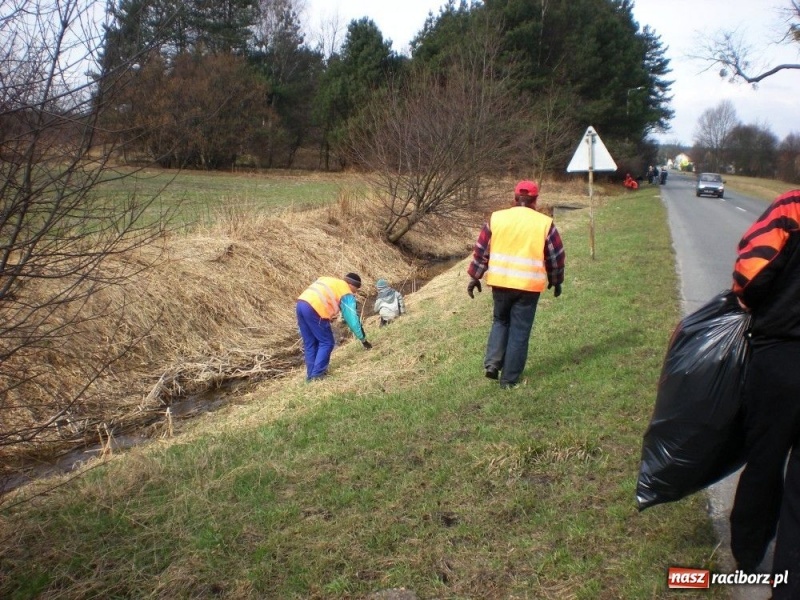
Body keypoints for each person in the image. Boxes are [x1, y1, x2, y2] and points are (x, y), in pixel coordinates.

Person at [729, 189, 800, 598]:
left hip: (782, 358)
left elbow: (752, 274)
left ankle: (749, 557)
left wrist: (748, 300)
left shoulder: (792, 206)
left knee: (764, 461)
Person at [466, 180, 565, 389]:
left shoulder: (497, 218)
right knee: (519, 331)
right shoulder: (545, 223)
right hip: (528, 286)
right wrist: (556, 281)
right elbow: (556, 257)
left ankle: (493, 363)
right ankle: (509, 380)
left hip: (500, 283)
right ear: (535, 200)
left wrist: (475, 276)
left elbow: (482, 249)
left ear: (515, 198)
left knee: (500, 321)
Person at [296, 273, 372, 381]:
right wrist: (363, 340)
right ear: (351, 285)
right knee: (327, 342)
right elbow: (352, 319)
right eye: (356, 289)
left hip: (301, 303)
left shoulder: (330, 281)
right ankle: (317, 375)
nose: (355, 292)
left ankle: (310, 376)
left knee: (310, 343)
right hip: (315, 308)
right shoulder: (345, 291)